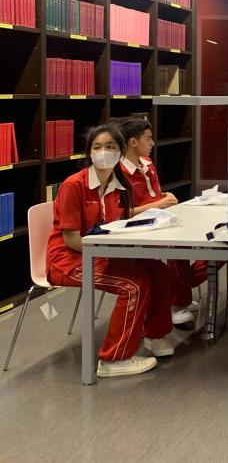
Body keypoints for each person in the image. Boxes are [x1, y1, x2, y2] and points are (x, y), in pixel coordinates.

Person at [45, 124, 174, 377]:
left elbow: (118, 223)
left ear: (120, 151)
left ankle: (155, 336)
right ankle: (113, 359)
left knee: (159, 271)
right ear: (89, 153)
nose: (103, 152)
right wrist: (108, 252)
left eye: (110, 146)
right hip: (69, 259)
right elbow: (71, 240)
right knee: (134, 284)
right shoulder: (73, 185)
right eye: (97, 147)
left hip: (102, 252)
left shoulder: (119, 185)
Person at [118, 119, 203, 326]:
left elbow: (155, 195)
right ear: (133, 142)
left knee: (206, 245)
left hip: (160, 221)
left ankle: (180, 291)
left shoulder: (147, 163)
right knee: (176, 247)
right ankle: (176, 302)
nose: (152, 143)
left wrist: (165, 197)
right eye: (148, 138)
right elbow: (122, 214)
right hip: (137, 229)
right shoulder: (118, 171)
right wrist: (159, 204)